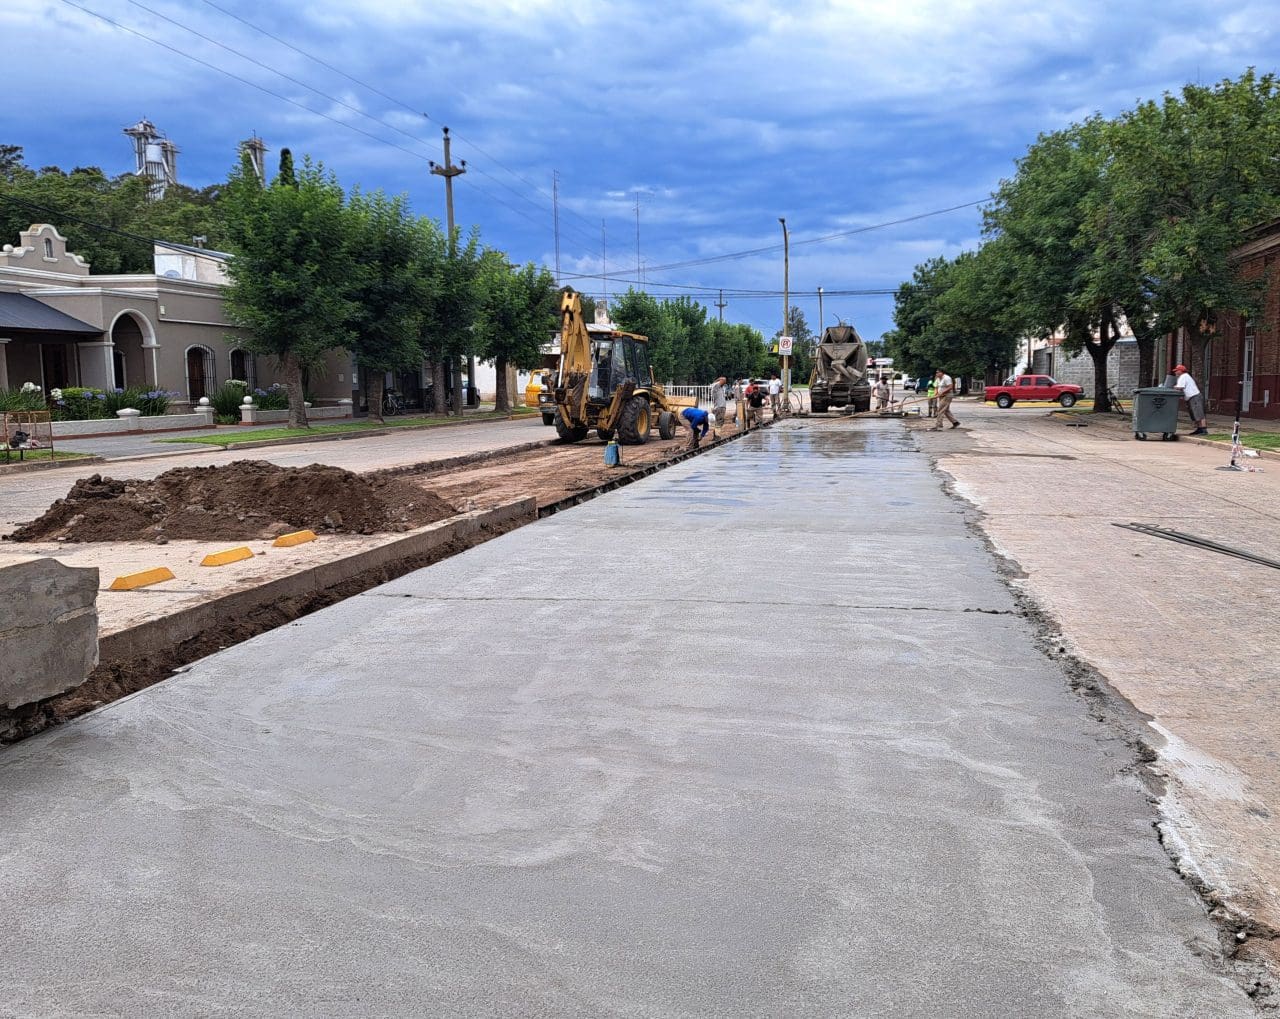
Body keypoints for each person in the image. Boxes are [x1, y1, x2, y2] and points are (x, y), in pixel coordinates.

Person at [1173, 363, 1208, 435]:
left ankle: (1204, 429)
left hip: (1194, 396)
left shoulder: (1183, 376)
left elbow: (1180, 387)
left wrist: (1173, 387)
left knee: (1199, 413)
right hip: (1192, 397)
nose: (1175, 372)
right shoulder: (1185, 376)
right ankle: (1199, 428)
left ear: (1181, 371)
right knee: (1195, 414)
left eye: (1177, 371)